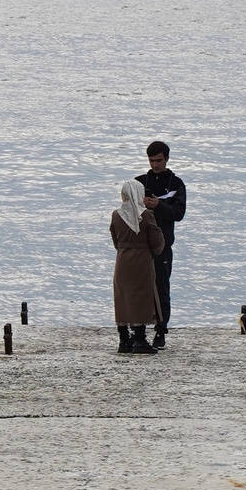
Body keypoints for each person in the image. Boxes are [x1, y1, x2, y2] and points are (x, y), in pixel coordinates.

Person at [136, 140, 187, 349]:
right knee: (138, 289)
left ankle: (160, 330)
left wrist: (159, 205)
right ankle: (137, 330)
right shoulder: (139, 182)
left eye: (158, 160)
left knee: (161, 288)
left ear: (166, 159)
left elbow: (179, 213)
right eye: (151, 160)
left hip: (163, 246)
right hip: (141, 246)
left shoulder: (176, 184)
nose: (154, 164)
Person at [109, 179, 166, 354]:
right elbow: (156, 242)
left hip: (123, 261)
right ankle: (140, 339)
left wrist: (124, 248)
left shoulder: (116, 215)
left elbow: (115, 240)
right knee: (141, 297)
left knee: (123, 297)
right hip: (141, 261)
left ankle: (124, 339)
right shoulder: (146, 215)